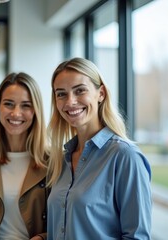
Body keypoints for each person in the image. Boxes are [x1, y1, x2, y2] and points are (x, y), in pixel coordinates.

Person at [46, 58, 152, 239]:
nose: (70, 102)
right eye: (61, 94)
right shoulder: (61, 160)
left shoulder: (125, 156)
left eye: (80, 91)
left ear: (101, 93)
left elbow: (137, 236)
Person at [0, 72, 49, 240]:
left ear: (36, 111)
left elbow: (66, 222)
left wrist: (43, 237)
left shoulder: (55, 163)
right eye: (9, 104)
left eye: (26, 105)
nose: (16, 113)